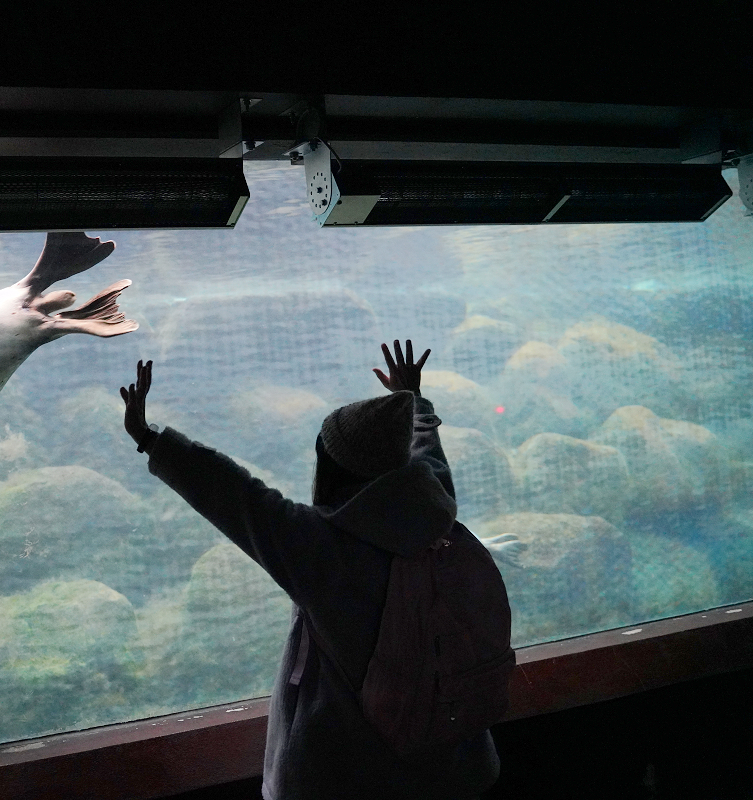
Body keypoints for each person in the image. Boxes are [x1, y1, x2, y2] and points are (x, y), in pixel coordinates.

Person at [119, 340, 500, 800]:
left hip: (348, 775)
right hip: (454, 766)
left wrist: (149, 437)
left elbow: (235, 494)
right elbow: (425, 453)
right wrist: (412, 400)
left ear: (333, 469)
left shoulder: (319, 550)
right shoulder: (433, 503)